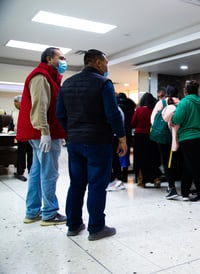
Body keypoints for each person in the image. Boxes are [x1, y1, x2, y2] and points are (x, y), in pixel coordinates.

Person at [56, 49, 127, 241]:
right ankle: (96, 227)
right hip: (98, 142)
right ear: (96, 62)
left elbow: (60, 114)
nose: (106, 67)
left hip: (74, 142)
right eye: (105, 62)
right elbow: (112, 113)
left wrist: (71, 132)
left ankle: (73, 224)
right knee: (97, 184)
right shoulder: (103, 83)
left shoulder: (67, 84)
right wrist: (122, 137)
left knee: (77, 184)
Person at [17, 47, 67, 225]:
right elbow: (40, 106)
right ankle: (50, 213)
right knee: (49, 173)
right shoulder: (41, 77)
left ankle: (32, 212)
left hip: (40, 134)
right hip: (44, 134)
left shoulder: (49, 77)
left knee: (37, 173)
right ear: (49, 59)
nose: (63, 61)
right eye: (60, 58)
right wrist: (45, 132)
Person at [172, 80, 200, 203]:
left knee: (195, 167)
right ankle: (185, 193)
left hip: (188, 138)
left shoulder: (184, 102)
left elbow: (176, 118)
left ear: (185, 90)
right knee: (189, 165)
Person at [151, 84, 181, 198]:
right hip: (177, 137)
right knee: (174, 161)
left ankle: (171, 186)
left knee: (166, 162)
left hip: (163, 137)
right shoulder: (181, 103)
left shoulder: (161, 103)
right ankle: (179, 184)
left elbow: (153, 119)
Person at [130, 93, 159, 188]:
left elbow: (133, 123)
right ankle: (155, 178)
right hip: (152, 136)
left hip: (140, 137)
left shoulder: (138, 110)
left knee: (140, 158)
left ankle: (142, 180)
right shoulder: (154, 111)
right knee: (152, 158)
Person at [9, 95, 33, 181]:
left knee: (30, 153)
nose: (15, 104)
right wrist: (10, 129)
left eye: (16, 102)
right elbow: (11, 125)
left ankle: (31, 170)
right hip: (20, 136)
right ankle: (20, 171)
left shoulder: (28, 110)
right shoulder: (14, 112)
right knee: (21, 153)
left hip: (29, 135)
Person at [117, 93, 136, 182]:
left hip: (117, 133)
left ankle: (118, 174)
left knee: (116, 153)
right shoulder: (131, 108)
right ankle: (125, 173)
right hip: (128, 133)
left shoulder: (117, 107)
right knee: (125, 152)